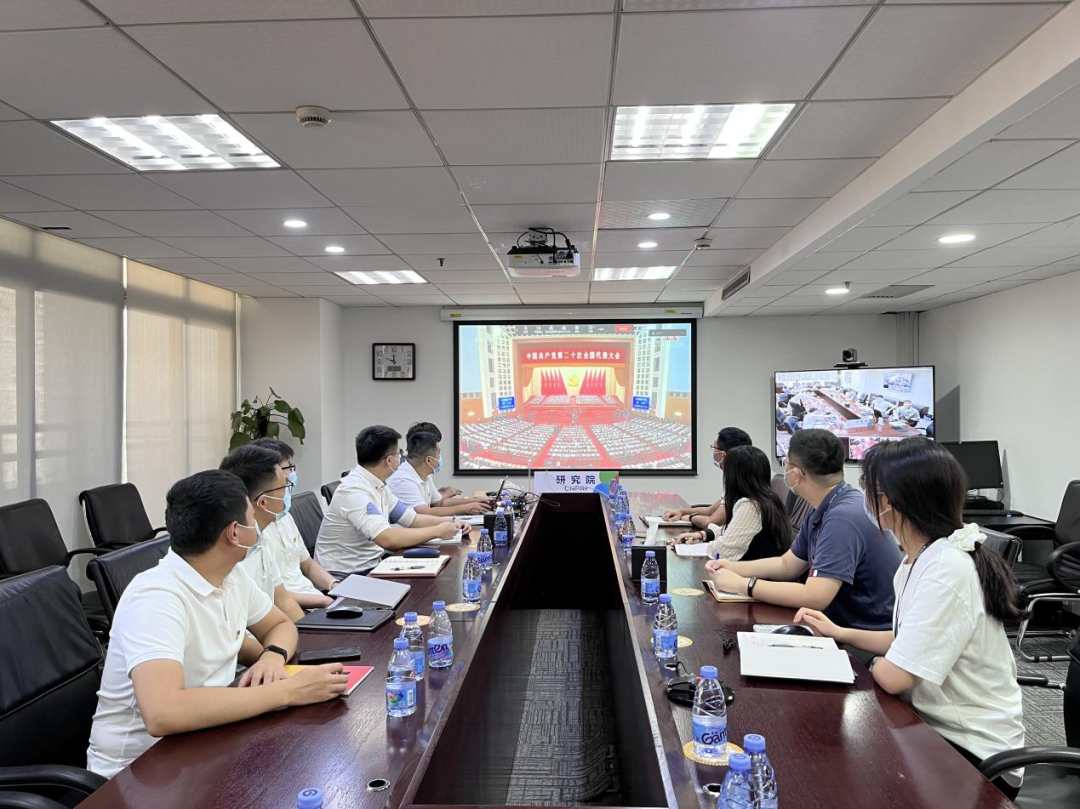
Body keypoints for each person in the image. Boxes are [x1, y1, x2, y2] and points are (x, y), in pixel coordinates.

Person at [794, 438, 1026, 799]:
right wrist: (840, 633)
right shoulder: (916, 560)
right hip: (932, 725)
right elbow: (906, 638)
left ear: (888, 501)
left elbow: (897, 675)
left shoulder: (946, 569)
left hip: (975, 755)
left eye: (867, 489)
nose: (864, 498)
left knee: (837, 774)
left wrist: (877, 663)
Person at [86, 470, 348, 778]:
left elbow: (279, 626)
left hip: (209, 741)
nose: (257, 526)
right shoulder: (156, 597)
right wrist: (288, 691)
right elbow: (162, 712)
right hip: (139, 772)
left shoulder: (231, 574)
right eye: (251, 517)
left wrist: (272, 658)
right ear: (235, 533)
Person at [706, 429, 902, 632]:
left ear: (795, 475)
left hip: (863, 634)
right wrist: (732, 567)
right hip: (836, 624)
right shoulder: (829, 504)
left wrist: (744, 585)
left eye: (786, 463)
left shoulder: (842, 517)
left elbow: (815, 596)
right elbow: (787, 564)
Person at [315, 425, 472, 576]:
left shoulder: (378, 485)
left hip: (372, 565)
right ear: (389, 460)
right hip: (345, 576)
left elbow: (411, 519)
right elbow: (387, 538)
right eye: (399, 453)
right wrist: (437, 531)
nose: (402, 458)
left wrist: (452, 521)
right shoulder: (354, 491)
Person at [219, 445, 305, 625]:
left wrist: (309, 633)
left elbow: (284, 601)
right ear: (263, 502)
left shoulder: (260, 538)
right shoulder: (233, 554)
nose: (287, 492)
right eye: (284, 487)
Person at [250, 438, 336, 609]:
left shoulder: (285, 516)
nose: (292, 474)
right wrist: (325, 602)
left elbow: (308, 565)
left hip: (314, 599)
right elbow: (274, 597)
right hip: (295, 607)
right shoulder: (252, 534)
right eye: (287, 468)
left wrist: (335, 586)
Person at [672, 446, 790, 561]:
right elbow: (731, 531)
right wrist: (702, 535)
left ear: (735, 476)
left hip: (750, 572)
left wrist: (694, 547)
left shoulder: (751, 506)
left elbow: (724, 551)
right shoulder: (767, 498)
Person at [662, 427, 752, 528]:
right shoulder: (737, 477)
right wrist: (681, 511)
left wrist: (688, 517)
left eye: (714, 448)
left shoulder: (741, 484)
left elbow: (710, 522)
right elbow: (710, 510)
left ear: (722, 454)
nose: (713, 451)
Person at [389, 431, 488, 516]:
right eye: (438, 453)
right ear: (429, 460)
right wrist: (465, 508)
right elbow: (425, 512)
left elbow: (439, 503)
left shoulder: (425, 474)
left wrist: (473, 501)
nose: (440, 457)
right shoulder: (403, 479)